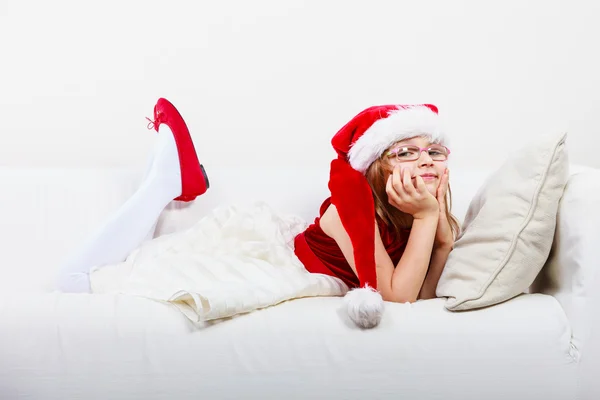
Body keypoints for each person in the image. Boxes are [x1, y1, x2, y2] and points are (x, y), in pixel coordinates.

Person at [56, 99, 460, 329]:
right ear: (376, 168)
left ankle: (163, 179)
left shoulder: (421, 211)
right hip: (274, 257)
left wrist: (442, 239)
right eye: (405, 152)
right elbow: (398, 297)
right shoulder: (349, 211)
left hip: (311, 252)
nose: (425, 160)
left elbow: (423, 295)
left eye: (434, 151)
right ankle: (162, 183)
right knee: (76, 284)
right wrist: (429, 222)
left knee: (88, 280)